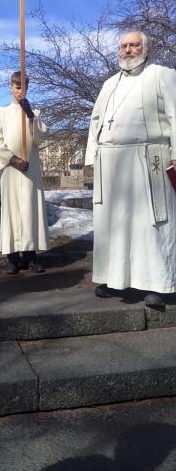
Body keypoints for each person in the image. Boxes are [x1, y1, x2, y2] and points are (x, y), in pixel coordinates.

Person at [85, 31, 176, 308]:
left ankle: (158, 285)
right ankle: (117, 280)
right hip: (111, 162)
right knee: (115, 224)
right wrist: (92, 157)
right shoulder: (110, 83)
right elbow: (96, 119)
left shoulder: (162, 74)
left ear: (145, 48)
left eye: (134, 45)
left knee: (150, 224)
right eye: (123, 46)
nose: (128, 50)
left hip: (149, 158)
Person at [0, 71, 50, 274]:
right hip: (11, 169)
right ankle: (13, 257)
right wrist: (13, 160)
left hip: (30, 169)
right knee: (12, 210)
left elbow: (41, 138)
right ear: (10, 87)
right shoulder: (2, 113)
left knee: (30, 209)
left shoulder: (35, 113)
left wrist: (31, 116)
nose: (20, 90)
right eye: (17, 86)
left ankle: (31, 255)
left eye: (23, 87)